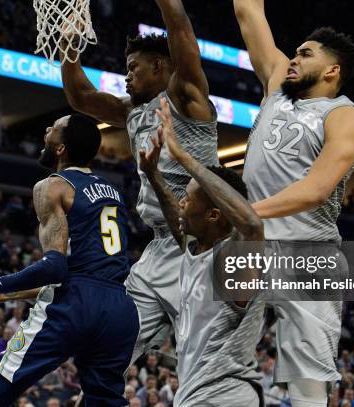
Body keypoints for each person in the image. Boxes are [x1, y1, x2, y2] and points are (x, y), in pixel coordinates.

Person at [60, 0, 218, 363]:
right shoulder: (131, 111)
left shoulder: (186, 95)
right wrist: (69, 48)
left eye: (133, 67)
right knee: (106, 351)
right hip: (159, 248)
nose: (126, 75)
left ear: (159, 67)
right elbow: (80, 97)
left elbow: (179, 28)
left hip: (201, 244)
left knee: (206, 367)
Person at [0, 114, 139, 406]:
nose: (46, 131)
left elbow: (55, 268)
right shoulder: (113, 192)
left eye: (54, 129)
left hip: (76, 306)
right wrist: (7, 294)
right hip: (120, 309)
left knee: (0, 392)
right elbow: (88, 277)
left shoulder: (52, 185)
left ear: (61, 149)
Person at [234, 0, 354, 405]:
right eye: (293, 52)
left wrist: (243, 211)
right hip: (250, 247)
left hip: (308, 252)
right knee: (215, 356)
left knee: (308, 387)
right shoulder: (277, 85)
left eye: (305, 54)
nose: (293, 58)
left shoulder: (343, 115)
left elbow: (316, 190)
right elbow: (247, 11)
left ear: (332, 70)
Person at [139, 98, 265, 405]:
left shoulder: (233, 261)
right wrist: (153, 173)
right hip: (198, 392)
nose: (182, 202)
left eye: (190, 199)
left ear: (213, 214)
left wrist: (183, 157)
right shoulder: (195, 251)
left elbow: (252, 226)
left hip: (224, 393)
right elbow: (174, 216)